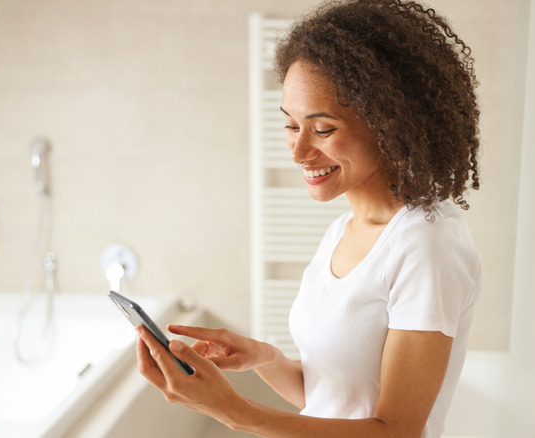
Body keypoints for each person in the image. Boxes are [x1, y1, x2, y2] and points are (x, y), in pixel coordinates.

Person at [135, 0, 483, 437]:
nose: (298, 152)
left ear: (390, 124)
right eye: (290, 125)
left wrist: (232, 410)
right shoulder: (344, 230)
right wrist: (263, 357)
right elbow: (331, 397)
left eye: (322, 130)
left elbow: (395, 431)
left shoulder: (427, 245)